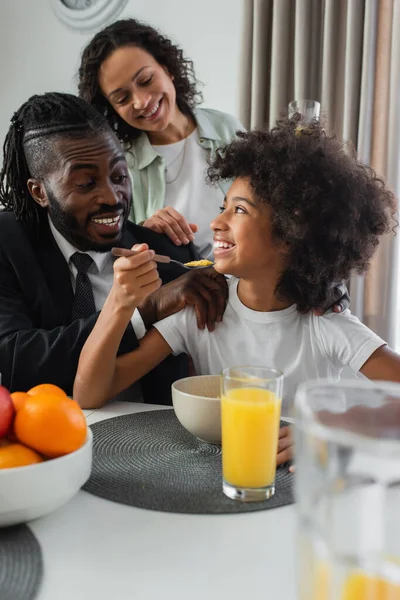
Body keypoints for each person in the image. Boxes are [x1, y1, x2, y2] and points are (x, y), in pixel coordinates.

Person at [73, 121, 400, 418]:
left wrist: (328, 429)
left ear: (290, 233)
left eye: (239, 210)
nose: (216, 223)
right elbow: (89, 393)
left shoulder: (324, 324)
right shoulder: (205, 307)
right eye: (223, 207)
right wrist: (120, 303)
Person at [0, 92, 229, 403]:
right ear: (40, 192)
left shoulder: (169, 255)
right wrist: (144, 310)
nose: (112, 196)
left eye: (120, 175)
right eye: (85, 183)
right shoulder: (8, 243)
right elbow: (14, 359)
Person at [78, 18, 244, 259]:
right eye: (123, 99)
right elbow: (114, 251)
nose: (141, 101)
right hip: (179, 289)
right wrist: (145, 233)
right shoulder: (121, 166)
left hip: (245, 282)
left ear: (167, 68)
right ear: (112, 110)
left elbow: (264, 209)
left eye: (145, 81)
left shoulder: (226, 129)